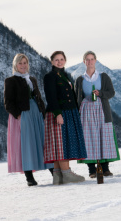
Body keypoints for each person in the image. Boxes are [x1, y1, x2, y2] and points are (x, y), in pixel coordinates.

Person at [4, 53, 53, 186]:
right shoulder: (11, 81)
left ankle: (54, 172)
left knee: (42, 142)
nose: (23, 65)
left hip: (36, 113)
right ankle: (29, 177)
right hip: (23, 115)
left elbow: (38, 97)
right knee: (26, 144)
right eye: (20, 63)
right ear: (15, 65)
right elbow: (8, 102)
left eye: (25, 63)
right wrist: (17, 115)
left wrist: (42, 112)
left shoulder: (32, 79)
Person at [43, 51, 87, 184]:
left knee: (59, 143)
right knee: (62, 143)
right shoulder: (50, 76)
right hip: (60, 113)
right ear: (52, 62)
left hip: (69, 112)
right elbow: (51, 97)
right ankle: (67, 173)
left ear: (65, 60)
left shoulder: (65, 75)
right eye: (56, 60)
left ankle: (58, 175)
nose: (59, 62)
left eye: (62, 59)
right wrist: (58, 114)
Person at [75, 51, 120, 178]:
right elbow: (76, 98)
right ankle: (91, 170)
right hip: (86, 111)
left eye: (92, 59)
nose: (90, 62)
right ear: (84, 62)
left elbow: (111, 92)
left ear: (95, 61)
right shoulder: (80, 79)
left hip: (102, 110)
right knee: (88, 138)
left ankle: (105, 168)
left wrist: (100, 93)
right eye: (87, 59)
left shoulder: (103, 77)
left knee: (103, 137)